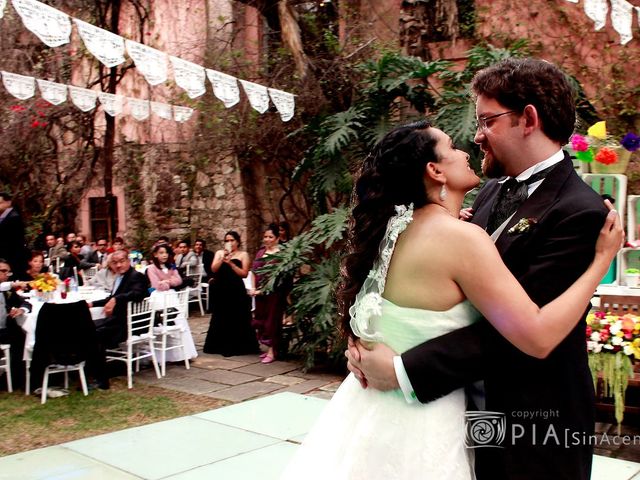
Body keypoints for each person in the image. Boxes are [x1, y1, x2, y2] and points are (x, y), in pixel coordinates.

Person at [280, 116, 622, 479]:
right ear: (434, 171)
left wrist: (360, 345)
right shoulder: (460, 236)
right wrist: (600, 262)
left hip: (372, 411)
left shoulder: (397, 228)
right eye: (452, 148)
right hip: (426, 418)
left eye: (487, 121)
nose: (469, 144)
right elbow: (536, 335)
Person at [88, 249, 150, 388]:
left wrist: (117, 298)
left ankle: (102, 380)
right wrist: (91, 304)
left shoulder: (136, 276)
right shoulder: (119, 277)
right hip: (117, 321)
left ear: (128, 261)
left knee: (95, 334)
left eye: (122, 261)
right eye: (115, 263)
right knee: (87, 326)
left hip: (127, 325)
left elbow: (139, 293)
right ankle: (91, 371)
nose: (118, 265)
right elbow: (110, 298)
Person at [203, 231, 258, 357]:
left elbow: (244, 273)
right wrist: (223, 258)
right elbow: (213, 269)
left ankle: (239, 345)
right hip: (221, 288)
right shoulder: (219, 253)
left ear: (238, 241)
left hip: (235, 288)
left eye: (232, 240)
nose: (229, 243)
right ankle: (219, 345)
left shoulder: (243, 255)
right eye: (227, 240)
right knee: (221, 315)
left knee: (237, 316)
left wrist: (231, 264)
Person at [250, 224, 288, 364]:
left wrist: (264, 289)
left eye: (270, 237)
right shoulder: (260, 252)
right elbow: (254, 271)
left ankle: (272, 351)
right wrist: (254, 288)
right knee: (261, 320)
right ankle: (268, 349)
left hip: (273, 294)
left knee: (272, 322)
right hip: (260, 294)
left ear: (277, 238)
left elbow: (279, 278)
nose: (267, 239)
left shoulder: (280, 254)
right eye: (265, 237)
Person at [0, 259, 30, 390]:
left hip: (4, 329)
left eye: (8, 272)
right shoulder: (6, 286)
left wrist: (21, 309)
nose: (6, 274)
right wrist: (14, 284)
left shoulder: (8, 290)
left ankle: (19, 377)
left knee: (23, 335)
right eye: (3, 271)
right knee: (20, 336)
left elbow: (25, 302)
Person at [0, 192, 27, 278]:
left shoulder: (14, 217)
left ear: (9, 202)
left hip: (11, 258)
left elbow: (13, 241)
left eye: (0, 203)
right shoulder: (4, 217)